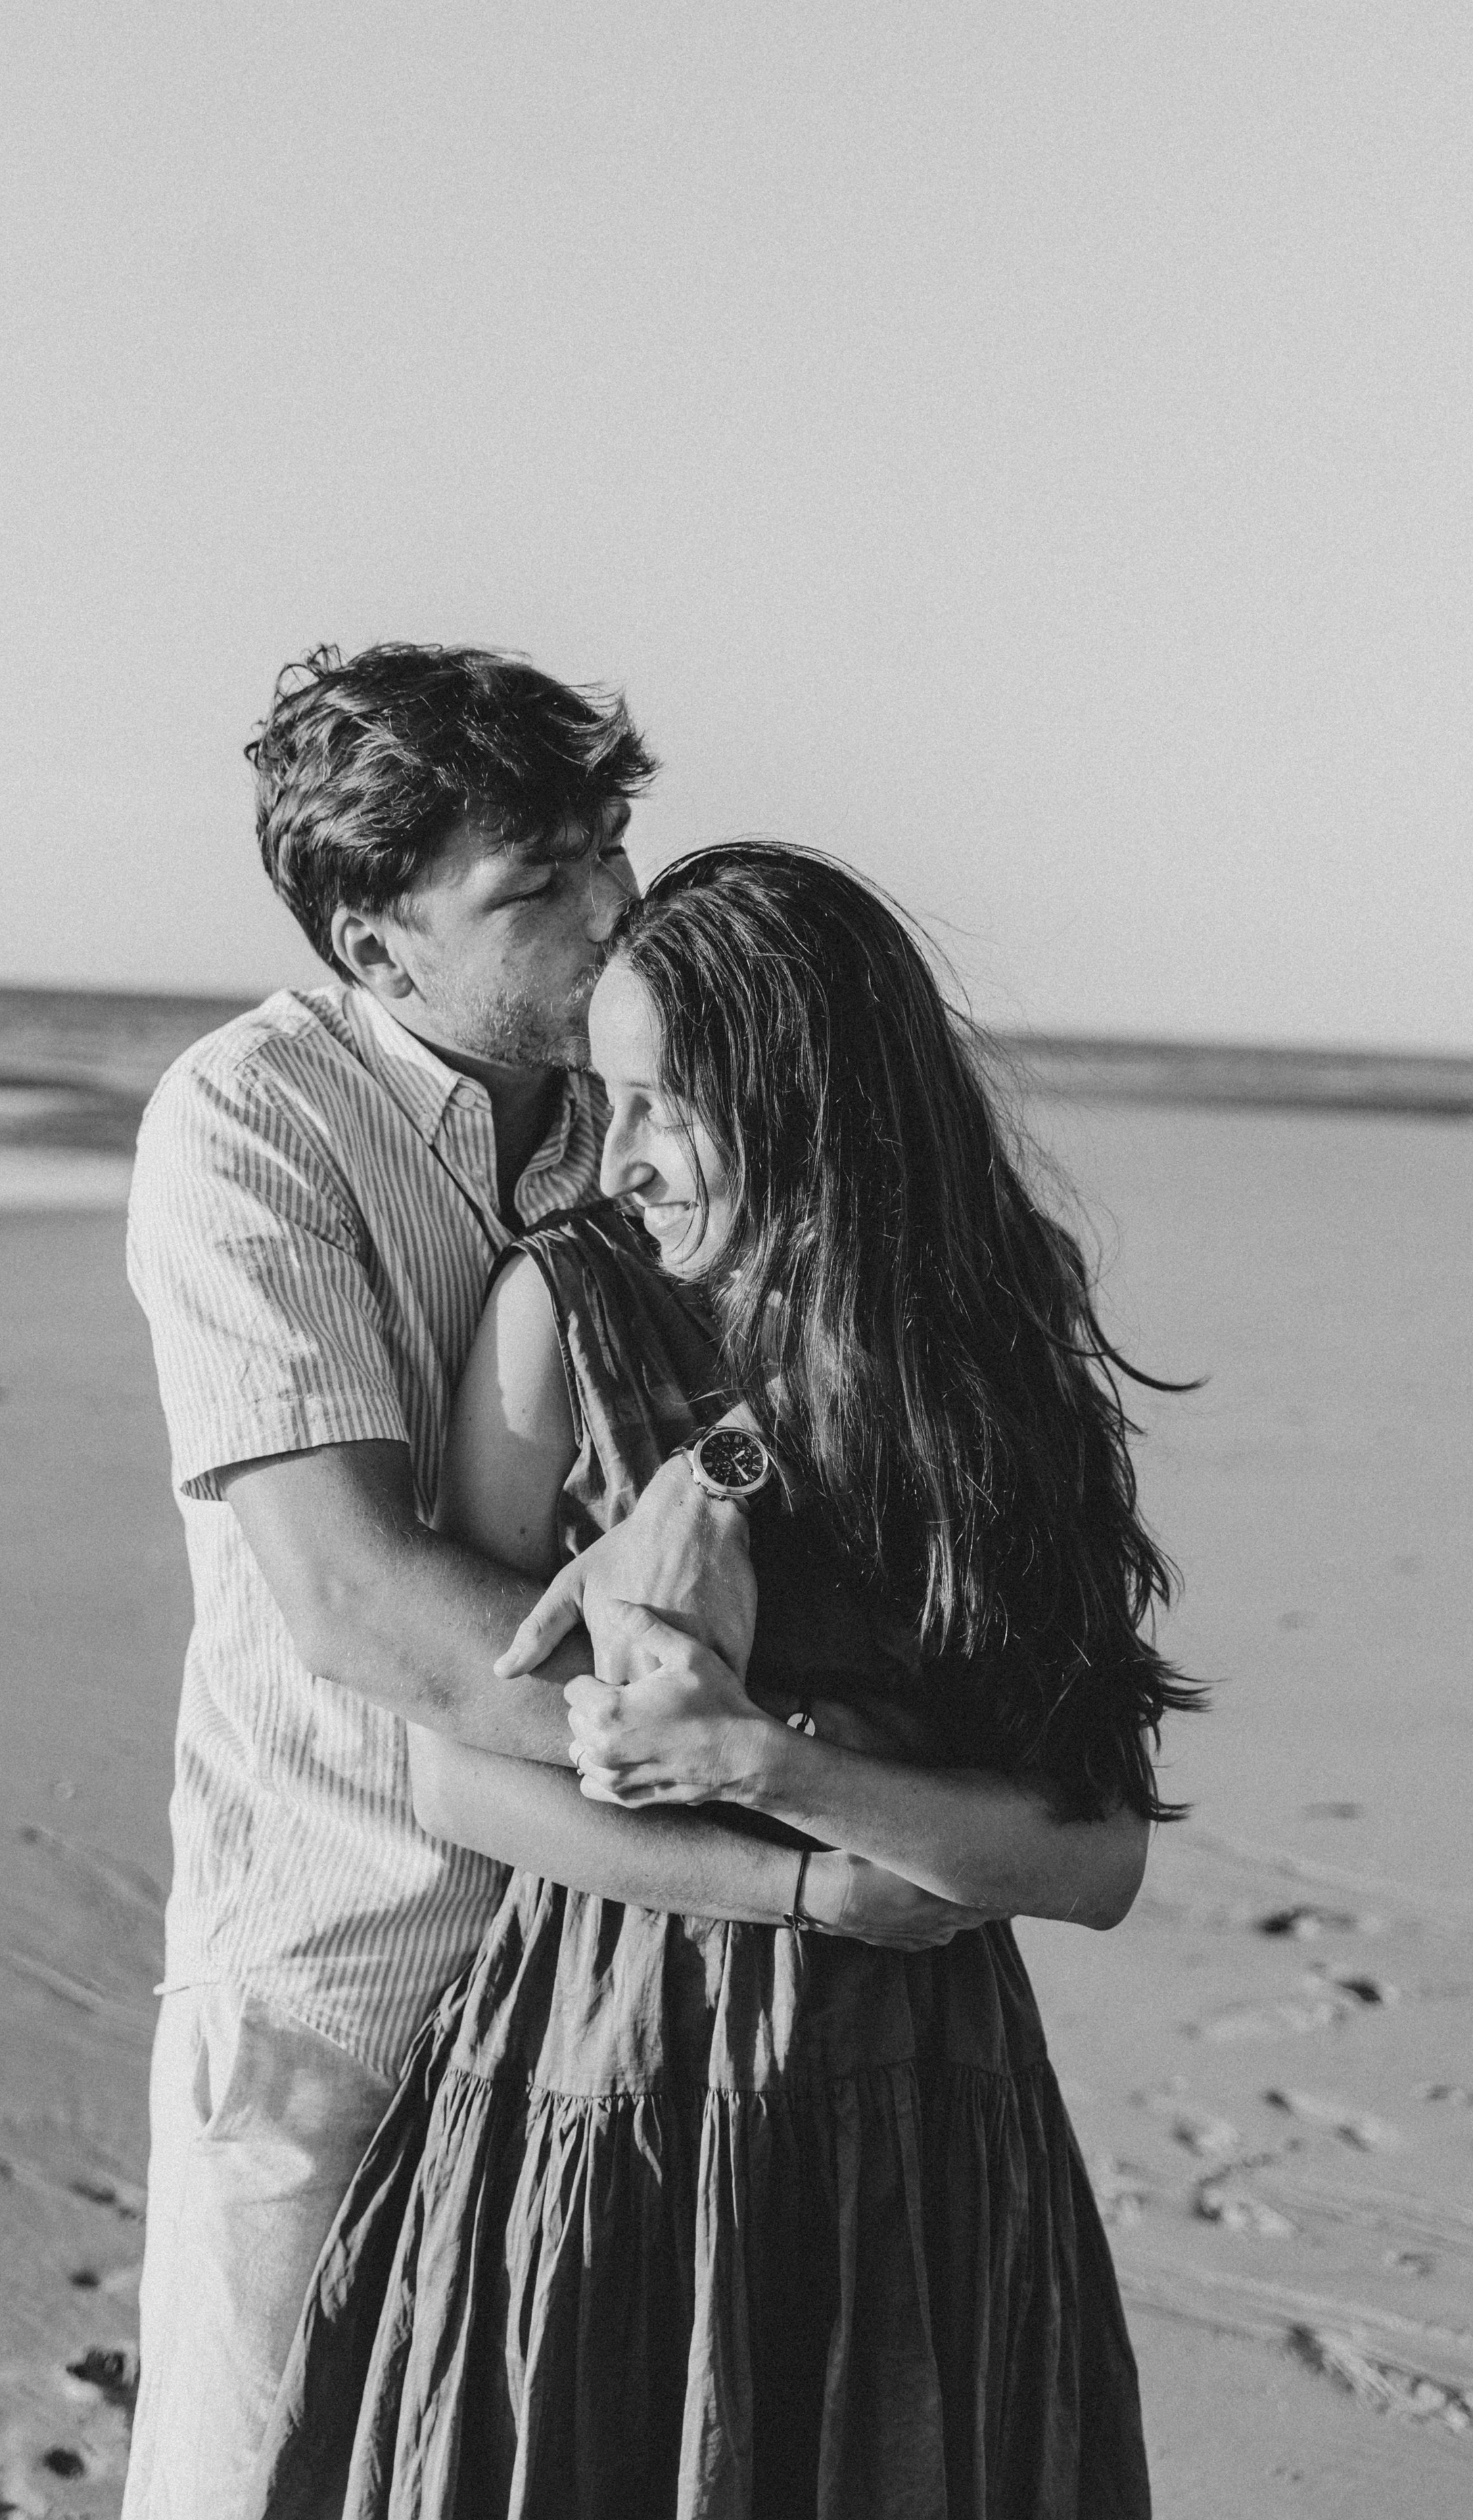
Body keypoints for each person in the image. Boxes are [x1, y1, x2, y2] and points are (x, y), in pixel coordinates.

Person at [252, 844, 1203, 2520]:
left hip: (916, 2119)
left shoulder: (990, 1367)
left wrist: (771, 1763)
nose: (615, 1159)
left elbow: (1094, 1858)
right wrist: (801, 1883)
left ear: (810, 1101)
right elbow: (458, 1780)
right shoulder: (559, 1317)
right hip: (609, 2078)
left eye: (665, 1108)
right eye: (599, 1099)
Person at [123, 654, 964, 2518]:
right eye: (538, 886)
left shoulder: (645, 1102)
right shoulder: (251, 1124)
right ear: (378, 941)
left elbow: (832, 1407)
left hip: (620, 1990)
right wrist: (769, 1801)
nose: (612, 909)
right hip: (347, 1956)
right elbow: (355, 1605)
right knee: (258, 2481)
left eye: (609, 850)